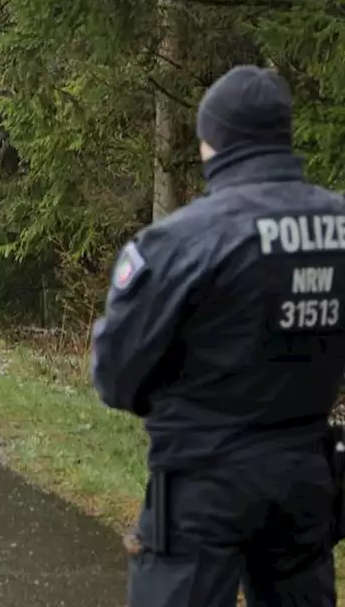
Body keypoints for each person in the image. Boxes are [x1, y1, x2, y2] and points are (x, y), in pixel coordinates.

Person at [92, 65, 344, 606]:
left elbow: (116, 376)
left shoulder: (183, 240)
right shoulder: (338, 227)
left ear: (213, 141)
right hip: (305, 476)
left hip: (202, 480)